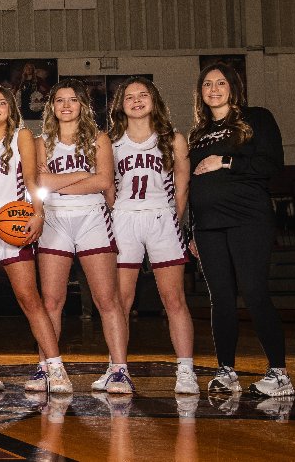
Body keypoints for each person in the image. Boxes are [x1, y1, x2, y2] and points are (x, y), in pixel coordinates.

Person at [188, 63, 290, 396]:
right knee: (221, 299)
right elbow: (191, 184)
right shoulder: (199, 134)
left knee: (254, 292)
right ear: (200, 92)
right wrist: (193, 228)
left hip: (249, 219)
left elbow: (272, 165)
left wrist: (226, 161)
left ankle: (279, 373)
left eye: (220, 83)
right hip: (208, 226)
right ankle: (226, 370)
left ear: (233, 87)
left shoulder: (257, 118)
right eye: (207, 84)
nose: (213, 89)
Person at [0, 86, 72, 393]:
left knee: (29, 298)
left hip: (11, 221)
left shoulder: (21, 137)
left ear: (12, 109)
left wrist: (37, 211)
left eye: (2, 103)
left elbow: (31, 179)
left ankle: (55, 367)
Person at [106, 77, 198, 394]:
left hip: (162, 216)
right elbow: (106, 186)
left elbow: (183, 185)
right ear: (120, 105)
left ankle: (185, 370)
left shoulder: (173, 139)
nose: (136, 100)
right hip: (123, 217)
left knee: (173, 299)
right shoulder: (110, 142)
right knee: (120, 300)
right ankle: (116, 367)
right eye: (129, 96)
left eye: (143, 94)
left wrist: (174, 216)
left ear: (154, 100)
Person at [34, 79, 126, 393]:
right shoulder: (41, 141)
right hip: (55, 219)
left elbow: (103, 182)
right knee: (51, 301)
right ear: (52, 107)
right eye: (59, 100)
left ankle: (119, 370)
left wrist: (57, 182)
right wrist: (80, 175)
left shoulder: (99, 139)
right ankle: (46, 367)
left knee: (106, 300)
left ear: (82, 105)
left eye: (72, 100)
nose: (66, 105)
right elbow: (39, 184)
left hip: (92, 218)